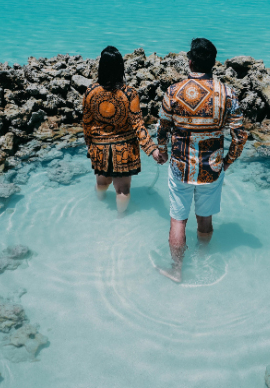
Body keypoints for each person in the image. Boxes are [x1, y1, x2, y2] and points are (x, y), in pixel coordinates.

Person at [155, 38, 248, 282]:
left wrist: (162, 150)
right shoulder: (228, 93)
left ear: (190, 61)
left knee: (178, 220)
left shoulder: (174, 91)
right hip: (212, 167)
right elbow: (240, 135)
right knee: (204, 219)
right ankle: (204, 259)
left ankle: (176, 270)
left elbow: (163, 128)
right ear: (213, 63)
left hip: (181, 165)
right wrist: (228, 160)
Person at [82, 46, 165, 215]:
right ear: (121, 67)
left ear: (101, 67)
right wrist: (152, 150)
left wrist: (90, 146)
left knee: (101, 183)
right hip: (124, 150)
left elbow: (87, 123)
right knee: (122, 190)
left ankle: (99, 209)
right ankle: (121, 220)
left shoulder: (90, 92)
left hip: (100, 147)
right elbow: (138, 125)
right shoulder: (129, 93)